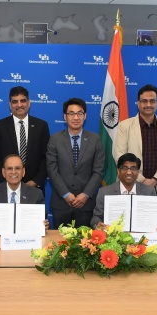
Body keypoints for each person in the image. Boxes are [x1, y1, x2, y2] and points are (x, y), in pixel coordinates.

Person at [113, 84, 157, 210]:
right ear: (138, 103)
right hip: (129, 185)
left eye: (152, 101)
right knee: (126, 226)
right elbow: (119, 155)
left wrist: (154, 180)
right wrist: (142, 180)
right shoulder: (125, 126)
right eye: (144, 101)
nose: (148, 105)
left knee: (155, 227)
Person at [46, 97, 104, 228]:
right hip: (61, 203)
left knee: (85, 245)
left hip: (86, 204)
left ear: (85, 116)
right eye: (71, 113)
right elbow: (52, 170)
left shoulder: (95, 140)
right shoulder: (55, 139)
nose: (76, 117)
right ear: (65, 117)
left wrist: (85, 195)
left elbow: (98, 171)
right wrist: (66, 195)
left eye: (79, 113)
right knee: (59, 244)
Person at [0, 86, 50, 190]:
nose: (19, 105)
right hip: (5, 187)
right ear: (10, 104)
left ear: (29, 103)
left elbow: (46, 157)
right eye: (15, 102)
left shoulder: (41, 126)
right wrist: (7, 182)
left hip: (34, 188)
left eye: (23, 101)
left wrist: (36, 181)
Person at [91, 153, 157, 232]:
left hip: (142, 239)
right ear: (118, 171)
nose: (129, 172)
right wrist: (98, 224)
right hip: (114, 238)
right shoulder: (105, 192)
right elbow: (96, 217)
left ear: (138, 171)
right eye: (125, 168)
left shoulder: (149, 191)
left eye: (133, 168)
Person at [0, 155, 49, 234]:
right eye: (10, 168)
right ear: (3, 172)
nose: (13, 172)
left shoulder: (36, 194)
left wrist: (44, 225)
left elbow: (43, 221)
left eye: (17, 168)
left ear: (23, 172)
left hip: (26, 241)